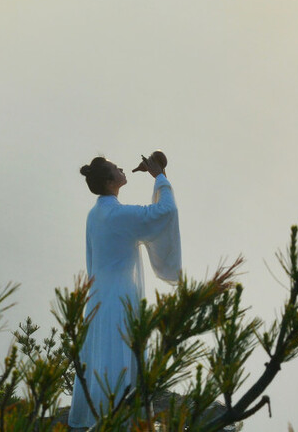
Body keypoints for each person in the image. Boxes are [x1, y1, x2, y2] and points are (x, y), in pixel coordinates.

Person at [68, 151, 180, 428]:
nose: (121, 168)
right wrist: (160, 177)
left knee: (103, 360)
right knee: (120, 360)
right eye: (116, 168)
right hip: (119, 298)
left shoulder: (96, 214)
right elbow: (165, 212)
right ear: (110, 182)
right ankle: (122, 423)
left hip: (97, 300)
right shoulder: (117, 215)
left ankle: (104, 421)